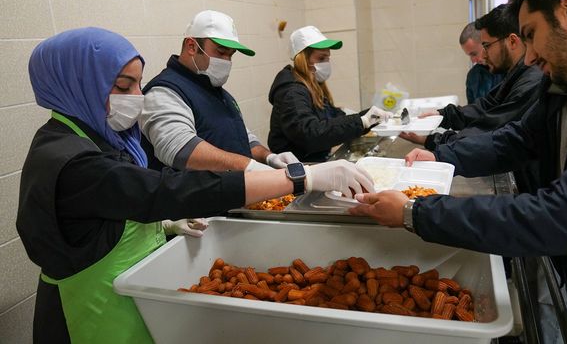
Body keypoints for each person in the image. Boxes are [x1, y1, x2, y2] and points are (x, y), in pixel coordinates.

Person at [17, 27, 374, 344]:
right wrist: (298, 178)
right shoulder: (71, 158)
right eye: (125, 86)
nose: (137, 96)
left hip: (124, 295)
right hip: (88, 315)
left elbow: (122, 200)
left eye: (138, 84)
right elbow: (161, 190)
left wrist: (162, 223)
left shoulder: (101, 135)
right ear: (78, 84)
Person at [351, 0, 567, 342]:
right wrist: (445, 156)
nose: (530, 56)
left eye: (532, 34)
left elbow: (563, 214)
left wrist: (413, 212)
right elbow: (517, 139)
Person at [140, 10, 297, 172]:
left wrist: (269, 157)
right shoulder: (163, 92)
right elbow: (180, 149)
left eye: (230, 55)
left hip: (234, 191)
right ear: (192, 46)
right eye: (221, 52)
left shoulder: (217, 92)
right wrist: (246, 166)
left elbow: (242, 137)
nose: (226, 61)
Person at [400, 4, 543, 154]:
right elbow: (486, 107)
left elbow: (488, 130)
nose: (483, 56)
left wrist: (433, 143)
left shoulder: (530, 81)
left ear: (513, 41)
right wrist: (443, 115)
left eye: (486, 46)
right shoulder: (514, 74)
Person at [267, 25, 393, 162]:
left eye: (327, 58)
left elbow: (334, 118)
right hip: (296, 165)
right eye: (321, 59)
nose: (326, 63)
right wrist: (361, 121)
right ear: (302, 59)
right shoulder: (292, 92)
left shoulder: (313, 86)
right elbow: (309, 134)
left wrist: (369, 118)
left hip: (315, 158)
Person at [459, 22, 504, 104]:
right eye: (469, 55)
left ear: (485, 44)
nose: (473, 60)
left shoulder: (508, 69)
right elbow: (471, 111)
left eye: (474, 54)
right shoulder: (472, 76)